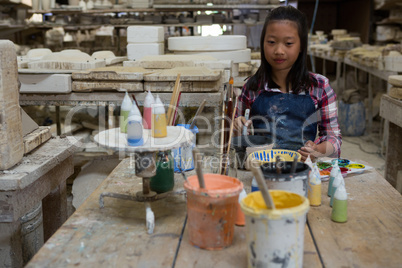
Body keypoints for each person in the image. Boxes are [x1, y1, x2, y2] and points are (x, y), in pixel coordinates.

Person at [234, 5, 341, 162]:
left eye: (288, 43)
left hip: (303, 170)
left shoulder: (319, 87)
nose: (279, 50)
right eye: (271, 42)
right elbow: (237, 141)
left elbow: (334, 139)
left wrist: (317, 150)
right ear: (262, 43)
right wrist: (238, 128)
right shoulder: (252, 87)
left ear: (301, 46)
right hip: (261, 171)